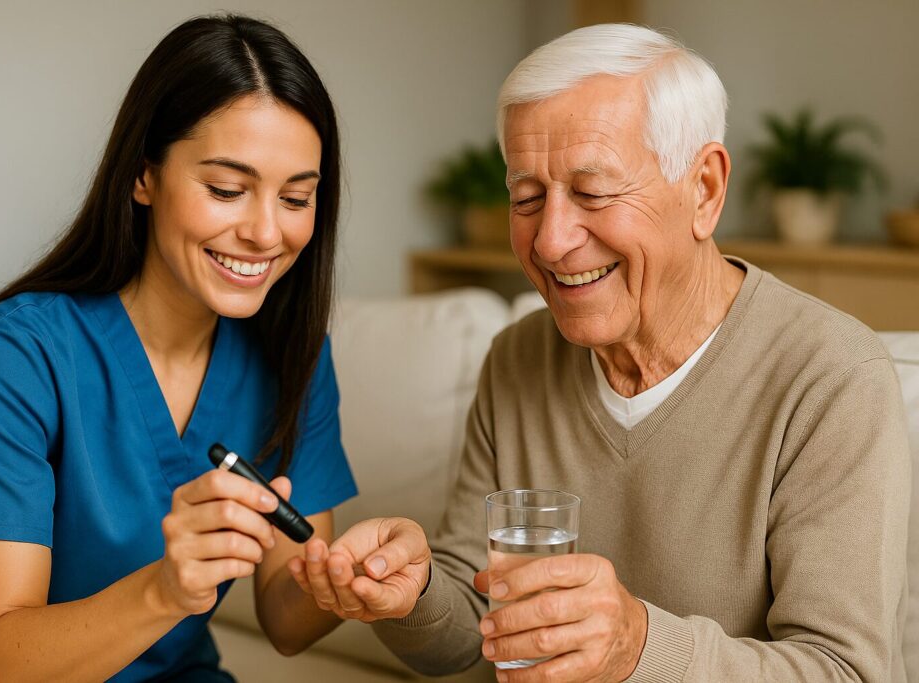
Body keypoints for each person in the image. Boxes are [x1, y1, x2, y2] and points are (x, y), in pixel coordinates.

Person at [287, 23, 911, 682]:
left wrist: (640, 645)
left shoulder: (833, 377)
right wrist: (410, 594)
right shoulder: (517, 359)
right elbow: (474, 632)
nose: (551, 241)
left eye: (594, 193)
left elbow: (847, 670)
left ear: (704, 190)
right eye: (527, 198)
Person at [0, 14, 357, 682]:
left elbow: (286, 621)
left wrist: (348, 580)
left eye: (296, 197)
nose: (265, 231)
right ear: (144, 177)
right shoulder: (11, 357)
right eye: (227, 189)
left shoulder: (295, 353)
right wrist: (166, 588)